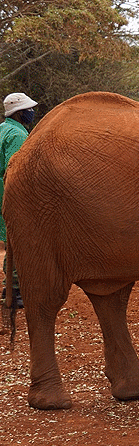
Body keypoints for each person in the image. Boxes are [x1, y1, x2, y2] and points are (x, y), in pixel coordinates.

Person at [0, 92, 37, 309]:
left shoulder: (4, 129)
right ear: (19, 112)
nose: (31, 112)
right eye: (28, 110)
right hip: (10, 193)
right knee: (18, 242)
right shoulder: (17, 136)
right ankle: (13, 290)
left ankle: (10, 289)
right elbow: (16, 170)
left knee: (12, 242)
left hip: (2, 192)